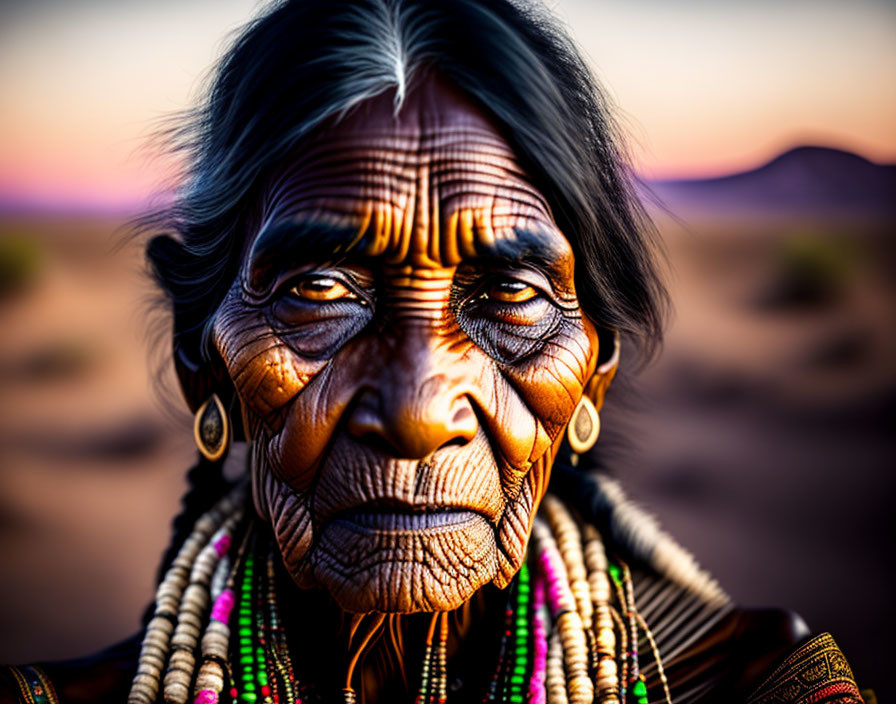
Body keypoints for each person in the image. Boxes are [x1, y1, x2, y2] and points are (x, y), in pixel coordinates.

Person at [1, 1, 866, 702]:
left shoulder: (757, 685)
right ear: (205, 367)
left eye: (514, 298)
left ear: (593, 377)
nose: (417, 411)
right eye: (318, 292)